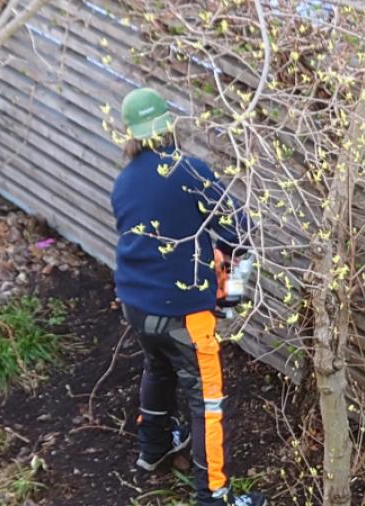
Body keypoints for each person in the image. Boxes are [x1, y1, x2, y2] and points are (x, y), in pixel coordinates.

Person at [110, 87, 265, 506]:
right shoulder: (188, 172)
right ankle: (214, 497)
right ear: (170, 125)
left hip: (137, 306)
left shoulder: (124, 182)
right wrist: (231, 293)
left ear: (130, 134)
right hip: (185, 316)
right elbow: (240, 232)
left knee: (157, 368)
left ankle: (153, 449)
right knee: (207, 402)